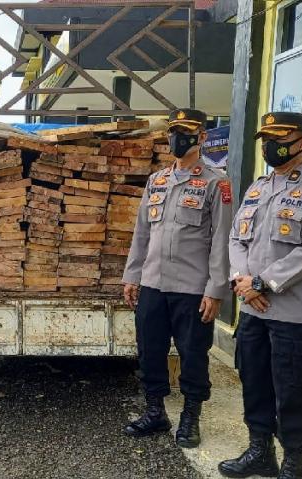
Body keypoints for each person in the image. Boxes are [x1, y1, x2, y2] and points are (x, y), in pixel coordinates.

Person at [219, 112, 302, 479]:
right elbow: (236, 239)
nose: (270, 145)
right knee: (255, 382)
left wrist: (262, 283)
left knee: (294, 392)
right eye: (265, 139)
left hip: (294, 313)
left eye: (280, 137)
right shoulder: (258, 188)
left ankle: (294, 465)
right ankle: (260, 451)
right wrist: (242, 281)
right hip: (254, 310)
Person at [121, 108, 232, 448]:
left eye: (185, 132)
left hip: (192, 288)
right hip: (153, 283)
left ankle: (190, 416)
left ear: (201, 137)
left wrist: (215, 291)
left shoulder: (217, 182)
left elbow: (222, 239)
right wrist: (132, 275)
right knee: (150, 351)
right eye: (173, 132)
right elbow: (142, 233)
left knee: (193, 355)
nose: (176, 138)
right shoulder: (158, 180)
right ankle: (155, 412)